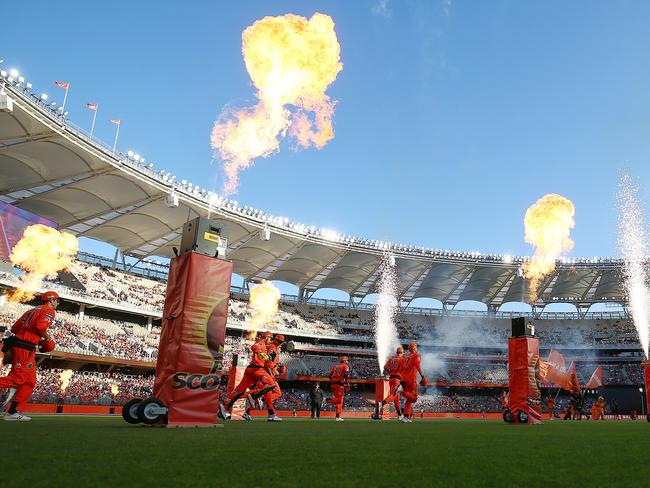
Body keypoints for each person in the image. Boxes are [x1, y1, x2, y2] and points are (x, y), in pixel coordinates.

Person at [0, 291, 59, 421]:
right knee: (17, 379)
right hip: (25, 347)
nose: (57, 303)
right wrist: (48, 338)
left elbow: (15, 328)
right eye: (57, 300)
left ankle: (12, 412)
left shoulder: (31, 310)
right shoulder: (49, 311)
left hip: (24, 346)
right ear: (51, 300)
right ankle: (12, 412)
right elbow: (39, 326)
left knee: (29, 382)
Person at [219, 331, 276, 421]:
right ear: (267, 337)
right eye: (271, 338)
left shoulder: (264, 345)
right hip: (257, 369)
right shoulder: (261, 342)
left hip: (250, 370)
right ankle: (253, 396)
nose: (271, 340)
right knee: (272, 384)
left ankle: (224, 407)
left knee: (239, 390)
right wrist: (261, 353)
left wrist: (266, 356)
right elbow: (254, 347)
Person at [374, 346, 404, 420]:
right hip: (397, 379)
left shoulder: (392, 359)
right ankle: (381, 403)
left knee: (396, 398)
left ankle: (400, 415)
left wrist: (391, 372)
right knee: (393, 395)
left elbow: (385, 367)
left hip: (391, 379)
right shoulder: (402, 359)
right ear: (402, 352)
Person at [400, 343, 427, 423]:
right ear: (415, 348)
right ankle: (401, 392)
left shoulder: (405, 356)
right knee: (414, 398)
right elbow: (418, 365)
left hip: (403, 378)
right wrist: (422, 376)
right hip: (410, 379)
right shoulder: (416, 355)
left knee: (409, 400)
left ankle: (406, 417)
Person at [326, 356, 350, 421]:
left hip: (333, 384)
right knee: (339, 400)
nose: (348, 362)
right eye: (347, 360)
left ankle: (337, 416)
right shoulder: (345, 366)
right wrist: (347, 384)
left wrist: (334, 380)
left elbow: (329, 376)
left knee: (338, 401)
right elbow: (346, 376)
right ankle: (329, 400)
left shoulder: (335, 366)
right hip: (339, 385)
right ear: (345, 361)